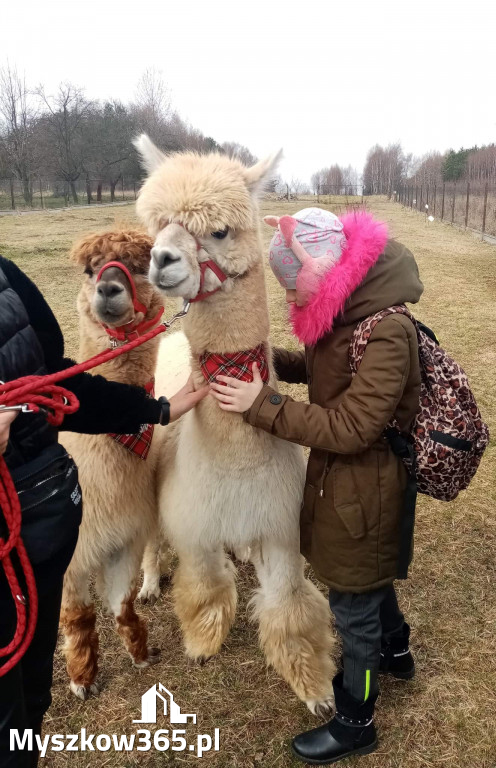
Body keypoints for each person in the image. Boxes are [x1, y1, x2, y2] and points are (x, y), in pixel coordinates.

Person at [210, 207, 423, 764]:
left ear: (325, 268)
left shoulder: (388, 331)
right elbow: (322, 365)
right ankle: (398, 651)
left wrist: (265, 405)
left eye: (295, 290)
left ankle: (358, 718)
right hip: (345, 481)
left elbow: (353, 426)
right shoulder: (349, 309)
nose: (293, 303)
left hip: (368, 483)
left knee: (352, 601)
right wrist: (264, 363)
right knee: (366, 573)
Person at [0, 254, 208, 768]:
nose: (111, 283)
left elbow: (62, 383)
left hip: (41, 521)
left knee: (29, 703)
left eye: (135, 272)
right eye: (95, 273)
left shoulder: (9, 282)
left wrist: (155, 408)